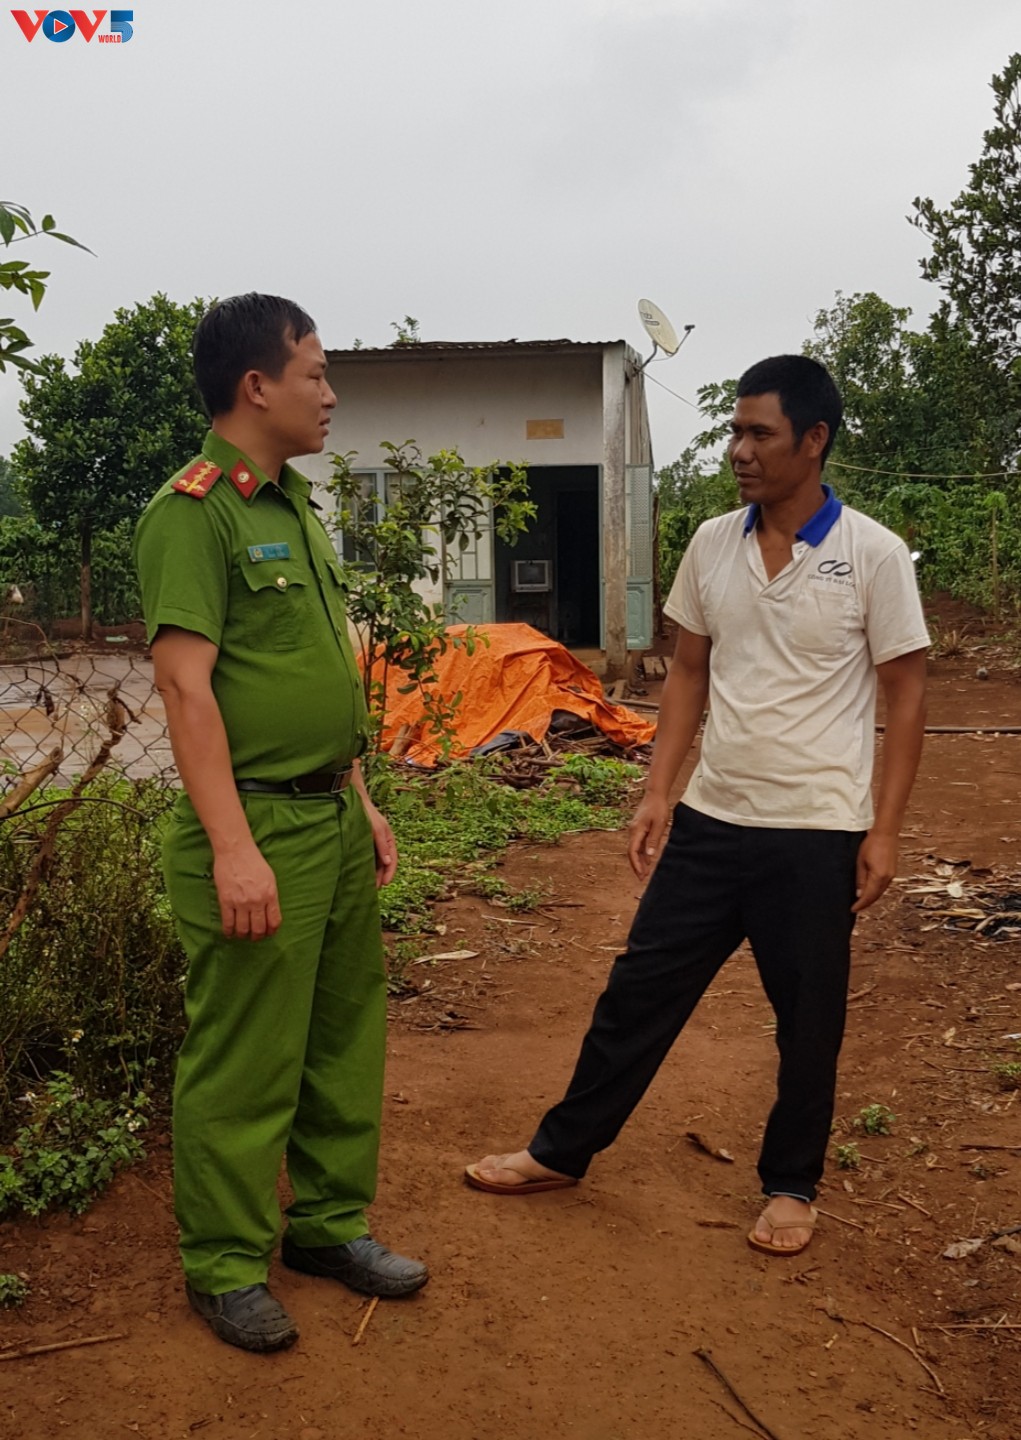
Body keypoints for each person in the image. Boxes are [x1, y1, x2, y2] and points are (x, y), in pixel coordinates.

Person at [466, 354, 928, 1256]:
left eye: (759, 433)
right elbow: (687, 673)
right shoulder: (713, 543)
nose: (738, 451)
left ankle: (790, 1185)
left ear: (813, 440)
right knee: (637, 995)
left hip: (816, 832)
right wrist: (658, 792)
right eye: (733, 431)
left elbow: (906, 694)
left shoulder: (870, 554)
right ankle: (561, 1151)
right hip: (712, 822)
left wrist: (884, 829)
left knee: (808, 1023)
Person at [134, 293, 427, 1353]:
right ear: (257, 386)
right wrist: (232, 848)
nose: (330, 393)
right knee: (246, 1057)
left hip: (330, 817)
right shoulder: (194, 511)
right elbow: (186, 689)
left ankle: (329, 1225)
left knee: (343, 1037)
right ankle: (223, 1265)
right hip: (256, 829)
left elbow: (311, 673)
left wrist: (361, 799)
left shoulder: (295, 505)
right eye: (316, 372)